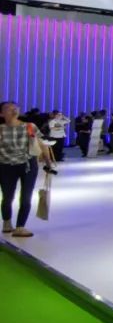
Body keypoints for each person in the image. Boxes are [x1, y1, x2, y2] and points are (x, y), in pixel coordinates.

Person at [0, 102, 45, 238]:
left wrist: (49, 161)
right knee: (7, 197)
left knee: (26, 197)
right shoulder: (1, 129)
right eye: (9, 108)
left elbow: (40, 143)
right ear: (2, 113)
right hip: (5, 166)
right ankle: (7, 222)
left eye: (15, 107)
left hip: (28, 165)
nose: (13, 110)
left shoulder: (29, 127)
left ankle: (20, 227)